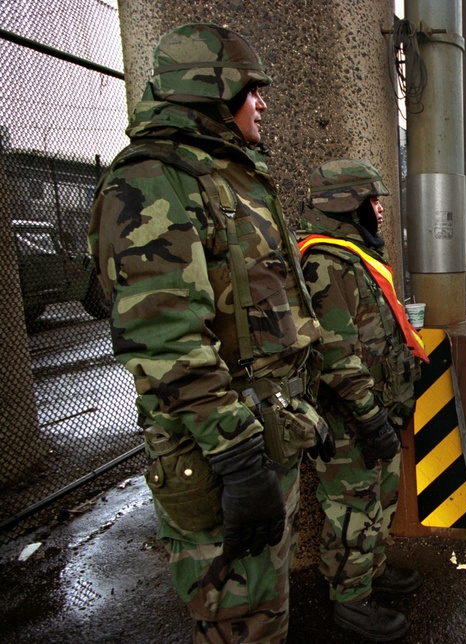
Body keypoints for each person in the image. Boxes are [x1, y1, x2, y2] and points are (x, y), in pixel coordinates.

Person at [89, 23, 329, 642]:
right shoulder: (153, 179)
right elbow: (165, 337)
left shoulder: (224, 174)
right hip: (220, 450)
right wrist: (238, 455)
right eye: (251, 89)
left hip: (260, 433)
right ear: (209, 89)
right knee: (239, 621)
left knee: (264, 608)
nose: (264, 103)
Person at [296, 159, 428, 641]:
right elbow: (335, 353)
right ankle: (350, 602)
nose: (378, 210)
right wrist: (370, 416)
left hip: (375, 406)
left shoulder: (352, 255)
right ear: (346, 206)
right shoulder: (324, 262)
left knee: (378, 499)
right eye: (371, 201)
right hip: (349, 415)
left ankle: (369, 573)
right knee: (351, 507)